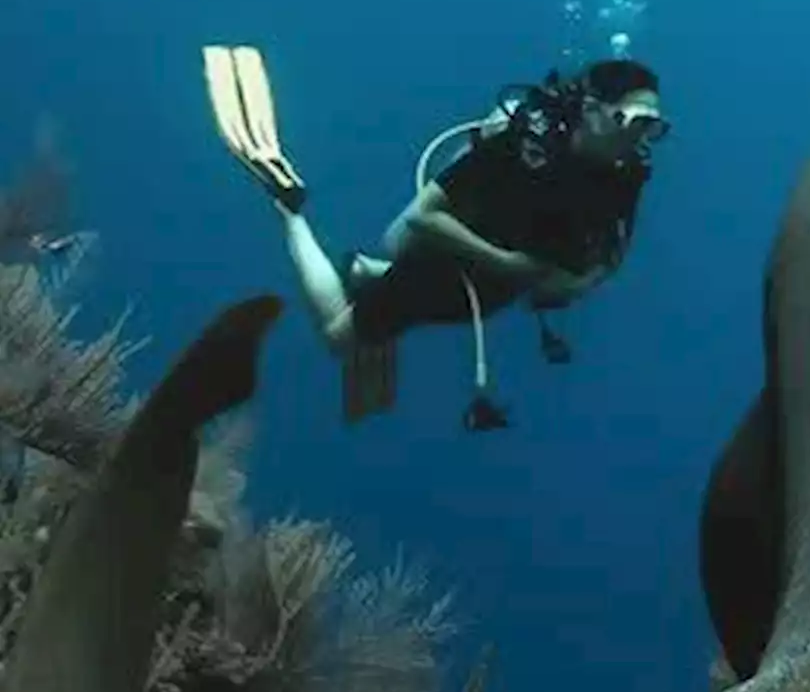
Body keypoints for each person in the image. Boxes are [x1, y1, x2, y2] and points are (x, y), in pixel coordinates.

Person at [202, 46, 668, 429]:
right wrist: (504, 264)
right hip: (444, 262)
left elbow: (612, 252)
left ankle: (367, 273)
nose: (643, 138)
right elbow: (425, 217)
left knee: (441, 303)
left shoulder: (626, 173)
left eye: (655, 127)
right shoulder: (526, 149)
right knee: (339, 340)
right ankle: (289, 208)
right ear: (591, 110)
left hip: (491, 289)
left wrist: (572, 284)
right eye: (635, 120)